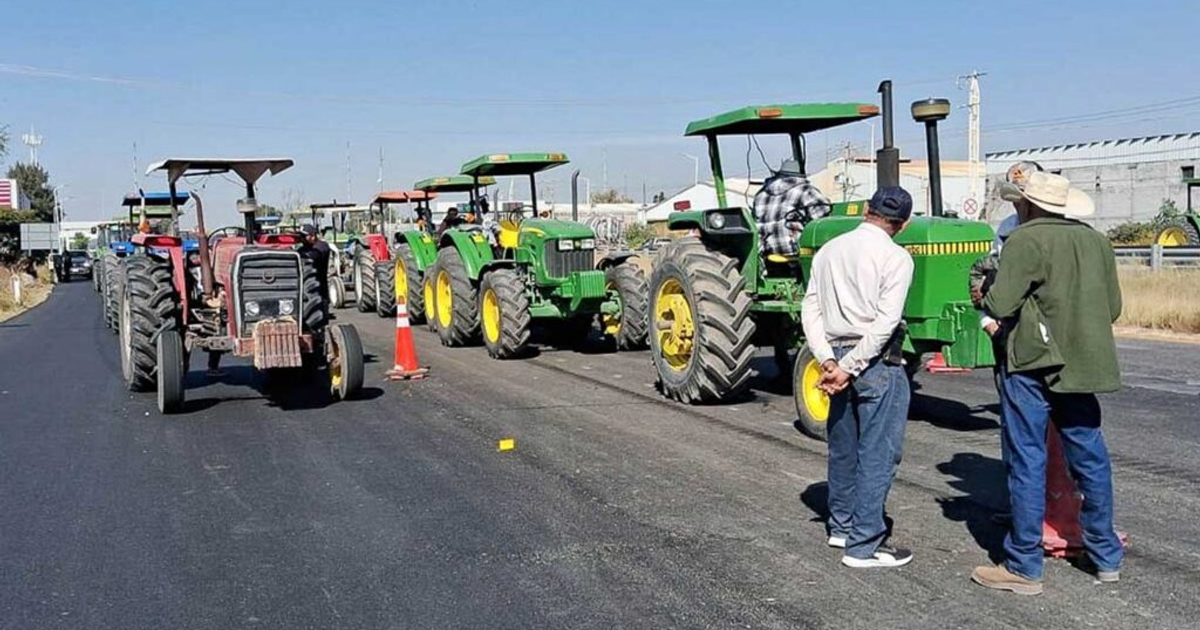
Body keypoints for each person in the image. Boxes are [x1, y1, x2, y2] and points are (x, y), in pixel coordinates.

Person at [971, 171, 1124, 595]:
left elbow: (1000, 303)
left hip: (1032, 363)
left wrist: (988, 295)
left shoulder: (1025, 240)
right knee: (1090, 457)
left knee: (1027, 459)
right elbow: (1112, 307)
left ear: (1027, 203)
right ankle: (1105, 555)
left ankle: (1024, 565)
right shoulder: (1096, 241)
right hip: (1083, 363)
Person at [800, 186, 915, 569]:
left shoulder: (829, 251)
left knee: (844, 446)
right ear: (903, 224)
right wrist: (850, 367)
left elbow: (810, 308)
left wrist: (828, 361)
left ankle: (842, 526)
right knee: (879, 452)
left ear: (867, 209)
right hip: (875, 361)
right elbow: (885, 323)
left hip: (835, 353)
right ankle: (864, 544)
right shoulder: (897, 258)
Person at [970, 161, 1043, 525]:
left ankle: (1054, 511)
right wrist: (987, 319)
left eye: (1023, 197)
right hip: (1010, 337)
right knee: (1015, 427)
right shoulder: (1007, 229)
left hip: (1046, 340)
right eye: (1014, 198)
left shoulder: (1063, 232)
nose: (1018, 204)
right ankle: (1021, 507)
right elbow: (988, 279)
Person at [752, 158, 831, 257]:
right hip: (791, 249)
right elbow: (823, 216)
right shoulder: (805, 190)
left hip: (766, 250)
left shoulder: (761, 194)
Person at [299, 224, 331, 318]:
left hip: (320, 290)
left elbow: (314, 256)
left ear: (312, 236)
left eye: (304, 236)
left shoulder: (322, 246)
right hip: (306, 290)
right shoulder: (303, 249)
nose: (302, 239)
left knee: (321, 317)